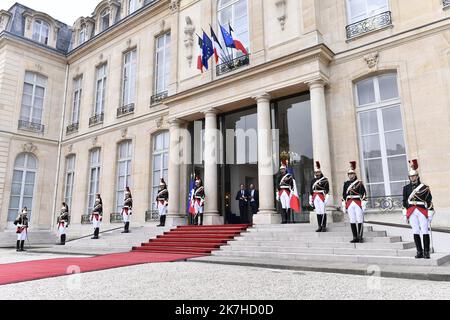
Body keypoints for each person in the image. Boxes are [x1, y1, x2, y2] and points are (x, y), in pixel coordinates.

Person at [402, 160, 434, 259]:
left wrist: (430, 213)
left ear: (417, 176)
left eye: (414, 176)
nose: (413, 178)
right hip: (411, 211)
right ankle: (419, 251)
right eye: (411, 176)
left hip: (421, 210)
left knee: (424, 230)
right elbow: (404, 201)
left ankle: (426, 252)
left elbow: (429, 200)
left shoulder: (424, 187)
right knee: (415, 231)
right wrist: (405, 213)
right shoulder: (406, 188)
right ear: (409, 178)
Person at [342, 161, 367, 243]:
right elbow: (343, 194)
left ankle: (360, 236)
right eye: (349, 174)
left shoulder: (359, 183)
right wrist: (343, 204)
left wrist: (363, 203)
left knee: (359, 219)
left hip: (357, 202)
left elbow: (364, 194)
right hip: (349, 203)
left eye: (352, 174)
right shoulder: (346, 184)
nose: (350, 175)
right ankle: (355, 236)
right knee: (352, 220)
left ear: (355, 174)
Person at [309, 162, 330, 232]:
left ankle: (324, 226)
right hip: (315, 196)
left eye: (318, 172)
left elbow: (327, 190)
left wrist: (326, 197)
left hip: (321, 196)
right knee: (318, 211)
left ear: (320, 172)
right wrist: (310, 199)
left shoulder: (325, 180)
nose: (317, 174)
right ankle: (319, 226)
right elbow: (311, 190)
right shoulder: (313, 181)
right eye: (315, 172)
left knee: (323, 211)